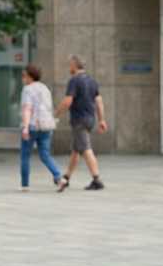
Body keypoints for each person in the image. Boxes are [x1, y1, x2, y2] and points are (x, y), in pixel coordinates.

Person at [58, 55, 107, 192]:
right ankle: (66, 178)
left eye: (70, 65)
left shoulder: (74, 81)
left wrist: (56, 114)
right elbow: (99, 102)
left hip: (79, 119)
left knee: (85, 149)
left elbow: (68, 101)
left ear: (74, 65)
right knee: (76, 150)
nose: (69, 68)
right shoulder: (92, 81)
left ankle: (97, 179)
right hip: (90, 119)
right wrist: (101, 119)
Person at [18, 64, 60, 190]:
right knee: (45, 155)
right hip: (47, 126)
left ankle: (25, 185)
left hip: (32, 126)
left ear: (30, 77)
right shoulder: (45, 88)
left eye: (24, 75)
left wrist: (25, 127)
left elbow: (27, 109)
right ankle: (58, 177)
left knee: (25, 155)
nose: (23, 78)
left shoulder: (28, 89)